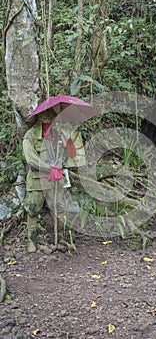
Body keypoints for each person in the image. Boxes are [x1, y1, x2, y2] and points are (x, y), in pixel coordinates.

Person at [23, 107, 86, 252]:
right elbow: (31, 159)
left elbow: (69, 155)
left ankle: (60, 238)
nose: (47, 118)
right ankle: (31, 241)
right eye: (44, 115)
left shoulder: (58, 134)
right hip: (37, 179)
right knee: (32, 209)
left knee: (59, 208)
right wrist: (48, 168)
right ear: (38, 117)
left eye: (50, 115)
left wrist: (66, 156)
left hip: (56, 180)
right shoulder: (30, 135)